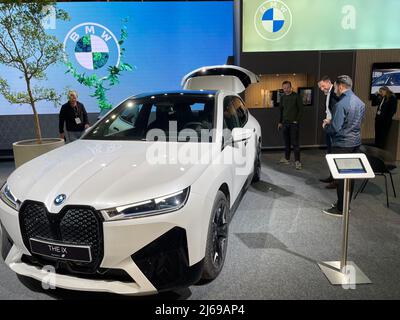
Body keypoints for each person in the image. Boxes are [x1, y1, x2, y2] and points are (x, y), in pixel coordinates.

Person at [322, 75, 365, 217]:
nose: (334, 90)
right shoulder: (360, 102)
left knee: (341, 178)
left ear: (340, 86)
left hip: (342, 145)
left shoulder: (341, 104)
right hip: (355, 143)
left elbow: (335, 128)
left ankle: (341, 209)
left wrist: (326, 127)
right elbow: (358, 122)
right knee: (350, 177)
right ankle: (346, 204)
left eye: (335, 87)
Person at [318, 76, 339, 189]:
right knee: (330, 153)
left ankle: (336, 180)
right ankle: (332, 176)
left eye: (322, 86)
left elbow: (337, 111)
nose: (321, 89)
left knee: (334, 154)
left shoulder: (334, 94)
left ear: (328, 82)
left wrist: (329, 121)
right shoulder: (329, 93)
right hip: (329, 125)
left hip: (332, 127)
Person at [277, 81, 303, 170]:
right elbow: (281, 110)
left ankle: (297, 162)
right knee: (286, 142)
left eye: (287, 87)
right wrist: (280, 122)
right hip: (285, 123)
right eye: (284, 88)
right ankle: (287, 159)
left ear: (291, 87)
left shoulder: (296, 96)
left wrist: (296, 120)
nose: (286, 89)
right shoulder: (283, 97)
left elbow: (301, 109)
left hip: (293, 124)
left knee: (295, 143)